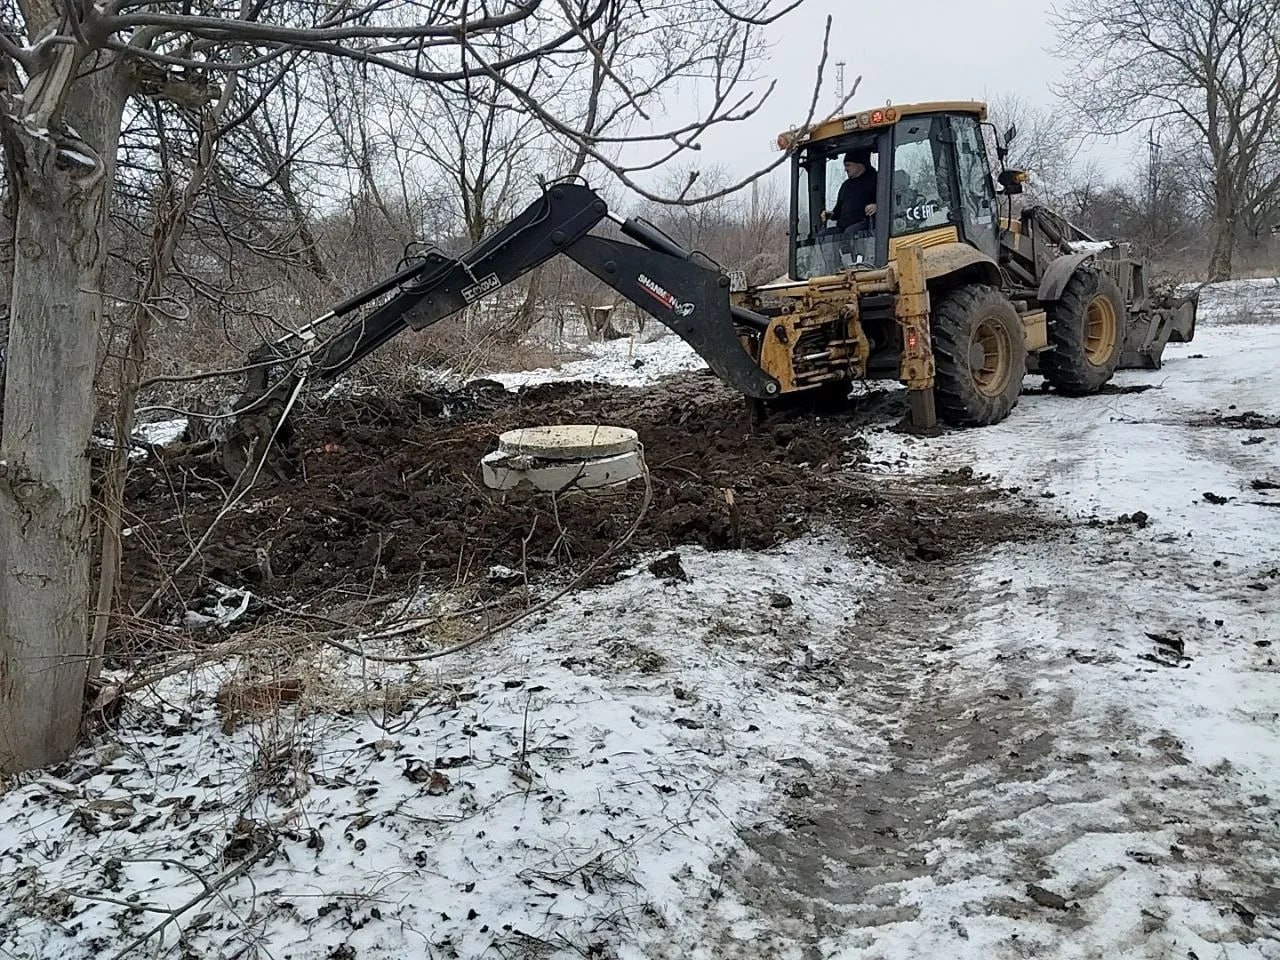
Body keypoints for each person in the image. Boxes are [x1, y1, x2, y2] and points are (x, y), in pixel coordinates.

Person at [822, 150, 878, 232]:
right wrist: (830, 215)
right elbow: (838, 211)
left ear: (860, 164)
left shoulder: (877, 179)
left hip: (867, 226)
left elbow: (890, 200)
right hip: (844, 227)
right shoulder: (846, 185)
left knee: (850, 232)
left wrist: (877, 206)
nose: (845, 169)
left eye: (848, 165)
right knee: (823, 235)